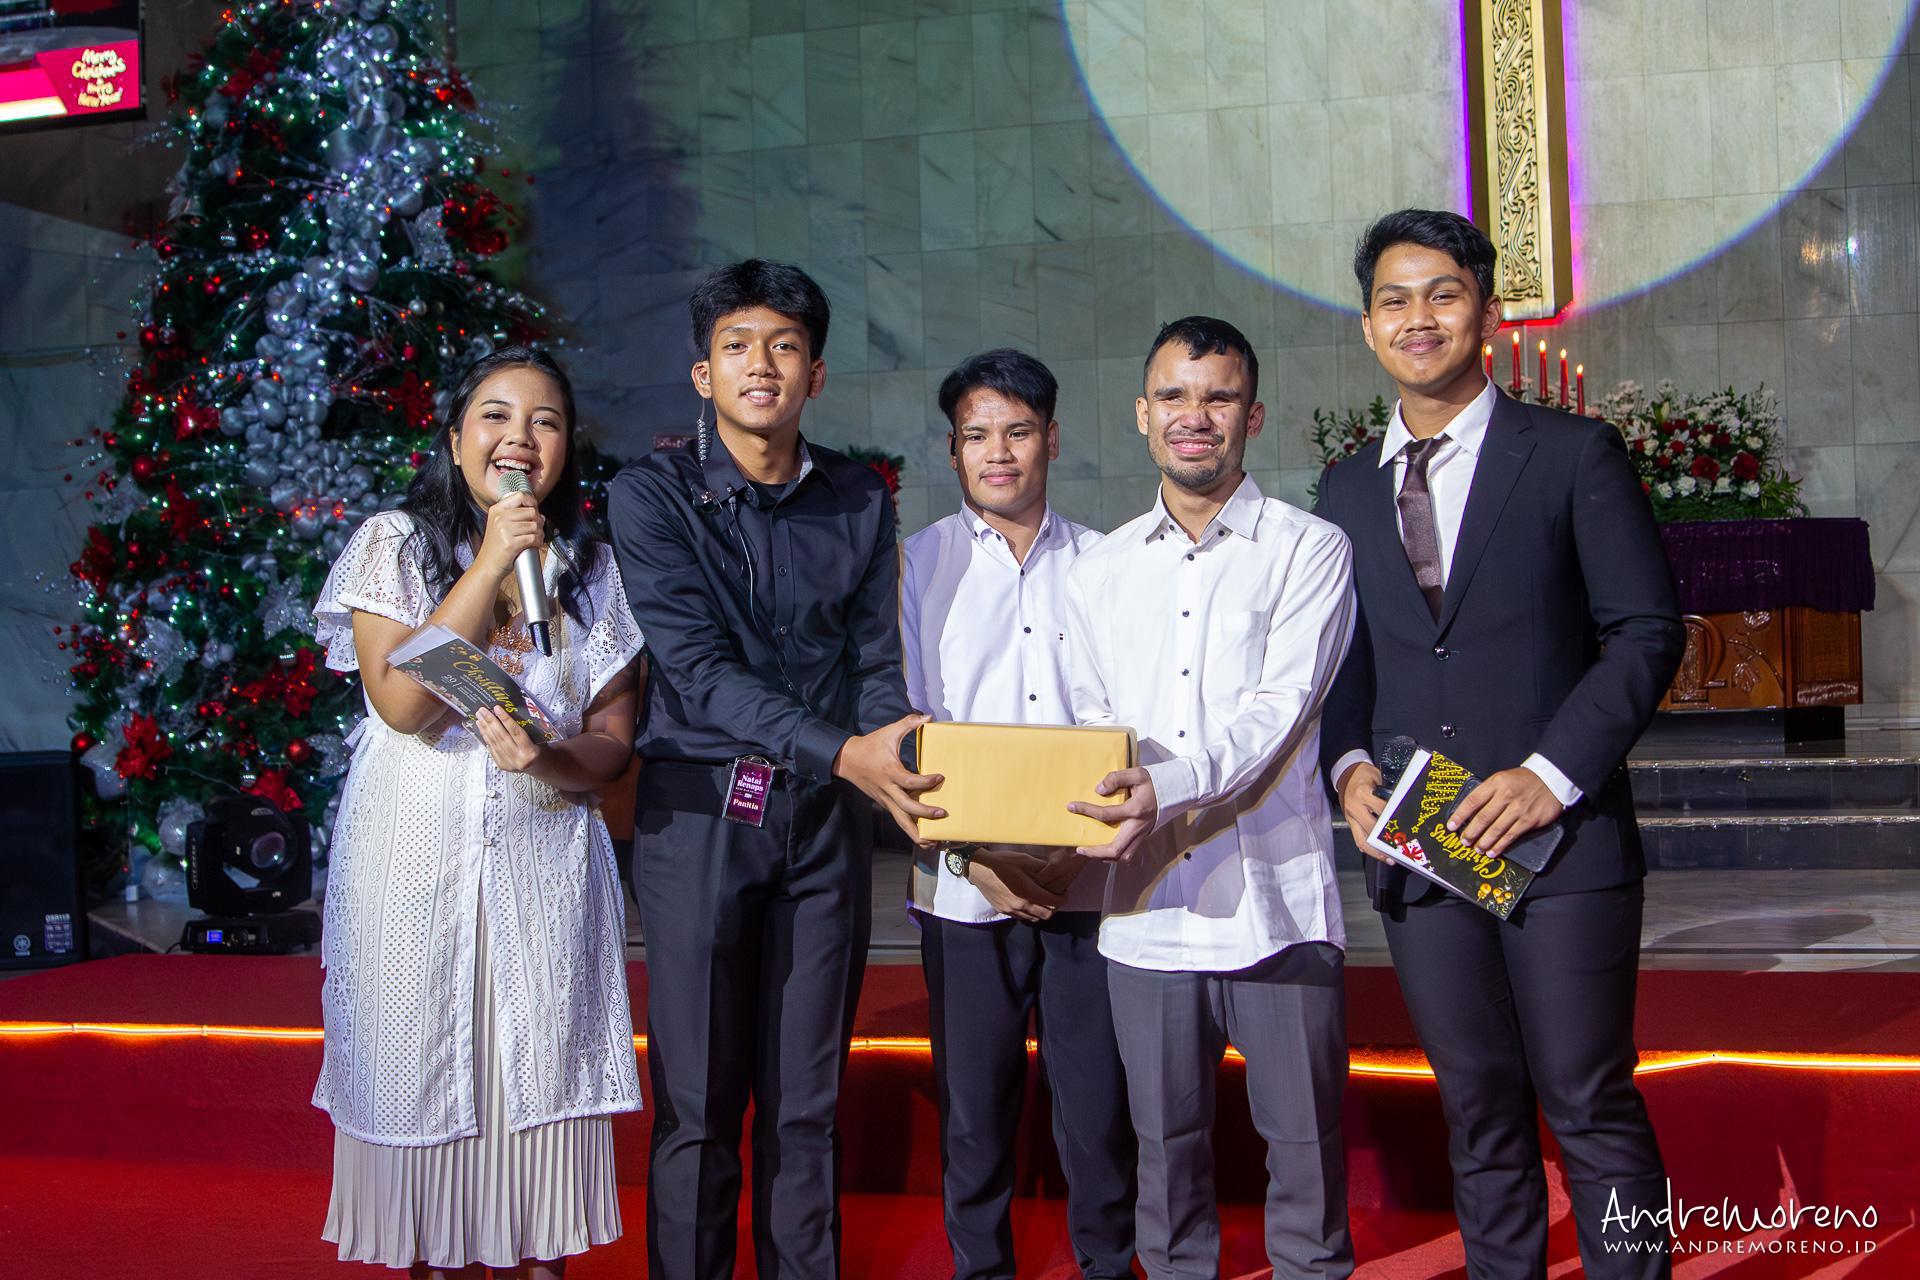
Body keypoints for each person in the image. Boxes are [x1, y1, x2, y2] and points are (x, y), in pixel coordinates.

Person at [1315, 208, 1683, 1278]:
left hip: (1560, 840)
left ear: (1484, 309)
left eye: (1443, 293)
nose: (1418, 317)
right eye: (1393, 299)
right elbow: (1343, 656)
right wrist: (1347, 765)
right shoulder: (1345, 485)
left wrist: (1550, 775)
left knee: (1589, 1097)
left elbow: (1646, 631)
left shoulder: (1570, 454)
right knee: (1477, 1107)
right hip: (1423, 838)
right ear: (1368, 325)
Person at [605, 259, 941, 1280]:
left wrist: (891, 763)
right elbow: (698, 672)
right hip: (700, 815)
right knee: (700, 1103)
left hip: (824, 821)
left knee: (807, 1101)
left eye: (785, 345)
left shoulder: (858, 495)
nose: (763, 364)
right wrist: (845, 750)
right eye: (738, 345)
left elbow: (873, 663)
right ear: (704, 373)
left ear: (816, 373)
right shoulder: (651, 496)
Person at [312, 347, 646, 1278]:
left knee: (535, 1098)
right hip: (414, 866)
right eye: (496, 415)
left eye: (546, 421)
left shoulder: (592, 571)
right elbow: (405, 705)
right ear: (456, 435)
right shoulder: (395, 543)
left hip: (544, 871)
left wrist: (547, 756)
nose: (520, 438)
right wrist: (495, 554)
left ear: (566, 449)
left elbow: (612, 739)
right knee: (422, 1091)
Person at [1062, 317, 1358, 1279]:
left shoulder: (1309, 548)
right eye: (1174, 397)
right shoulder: (1098, 570)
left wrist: (1166, 787)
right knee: (1165, 1159)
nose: (1195, 416)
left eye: (1219, 397)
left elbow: (1282, 710)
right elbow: (1092, 722)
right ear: (1143, 414)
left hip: (1276, 898)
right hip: (1145, 909)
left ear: (1252, 416)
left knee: (1306, 1156)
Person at [901, 349, 1135, 1280]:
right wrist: (977, 859)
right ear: (953, 451)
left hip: (1089, 884)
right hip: (963, 885)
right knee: (973, 1112)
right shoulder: (916, 565)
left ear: (1053, 439)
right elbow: (907, 726)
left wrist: (1072, 856)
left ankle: (1107, 1265)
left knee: (1097, 1110)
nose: (998, 452)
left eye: (1018, 431)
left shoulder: (1110, 564)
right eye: (977, 435)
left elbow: (1126, 719)